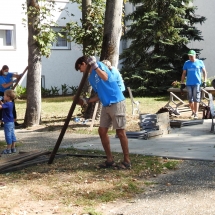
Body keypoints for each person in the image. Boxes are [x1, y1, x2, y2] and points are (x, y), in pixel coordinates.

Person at [75, 56, 131, 169]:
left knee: (120, 132)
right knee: (102, 131)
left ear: (83, 63)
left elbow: (105, 77)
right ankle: (110, 160)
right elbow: (99, 94)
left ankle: (127, 161)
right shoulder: (91, 78)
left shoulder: (99, 65)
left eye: (79, 67)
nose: (80, 71)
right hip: (106, 104)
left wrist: (95, 66)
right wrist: (87, 101)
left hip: (116, 101)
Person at [181, 50, 207, 119]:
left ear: (195, 55)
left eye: (192, 56)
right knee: (190, 99)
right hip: (189, 83)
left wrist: (205, 81)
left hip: (197, 83)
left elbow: (204, 72)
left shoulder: (200, 62)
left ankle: (196, 113)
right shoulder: (186, 63)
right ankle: (193, 111)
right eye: (189, 56)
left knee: (196, 98)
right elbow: (184, 73)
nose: (190, 57)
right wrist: (182, 83)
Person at [0, 89, 17, 154]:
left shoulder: (7, 104)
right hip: (11, 122)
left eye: (4, 95)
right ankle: (13, 148)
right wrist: (1, 102)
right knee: (12, 134)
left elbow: (1, 107)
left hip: (7, 123)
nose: (3, 96)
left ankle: (8, 149)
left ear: (8, 97)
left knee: (8, 135)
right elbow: (3, 105)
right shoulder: (11, 103)